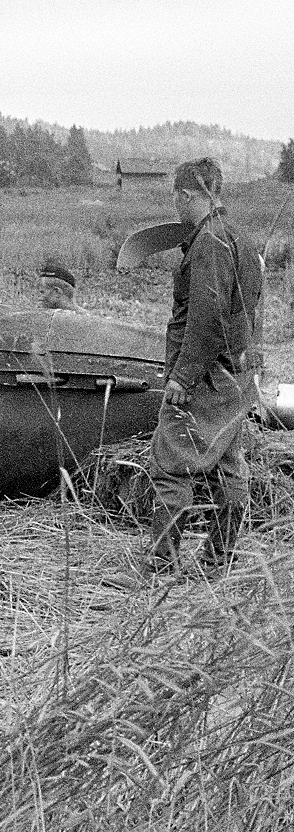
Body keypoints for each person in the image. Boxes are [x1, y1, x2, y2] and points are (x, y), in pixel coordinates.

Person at [135, 157, 263, 579]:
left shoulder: (208, 242)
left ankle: (159, 566)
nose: (175, 204)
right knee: (229, 467)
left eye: (177, 196)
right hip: (234, 377)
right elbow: (247, 313)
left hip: (205, 378)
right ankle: (217, 562)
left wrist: (182, 377)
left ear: (186, 194)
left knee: (170, 463)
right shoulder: (238, 239)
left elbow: (207, 319)